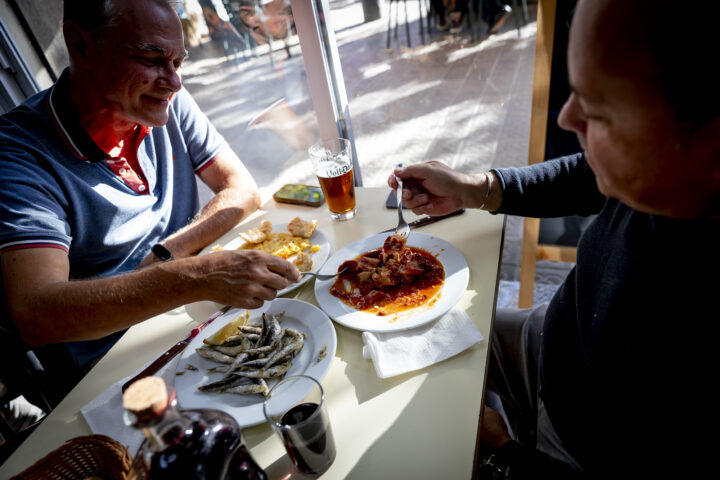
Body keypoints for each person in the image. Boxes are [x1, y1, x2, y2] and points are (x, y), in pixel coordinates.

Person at [389, 0, 719, 477]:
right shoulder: (659, 169)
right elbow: (588, 175)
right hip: (549, 336)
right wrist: (475, 188)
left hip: (577, 446)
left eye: (599, 113)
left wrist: (503, 454)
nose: (565, 118)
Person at [0, 0, 301, 402]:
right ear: (81, 45)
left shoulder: (161, 98)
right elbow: (37, 313)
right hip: (114, 370)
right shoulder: (17, 154)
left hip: (199, 316)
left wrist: (169, 253)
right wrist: (192, 276)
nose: (174, 81)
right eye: (151, 57)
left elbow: (241, 189)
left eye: (179, 61)